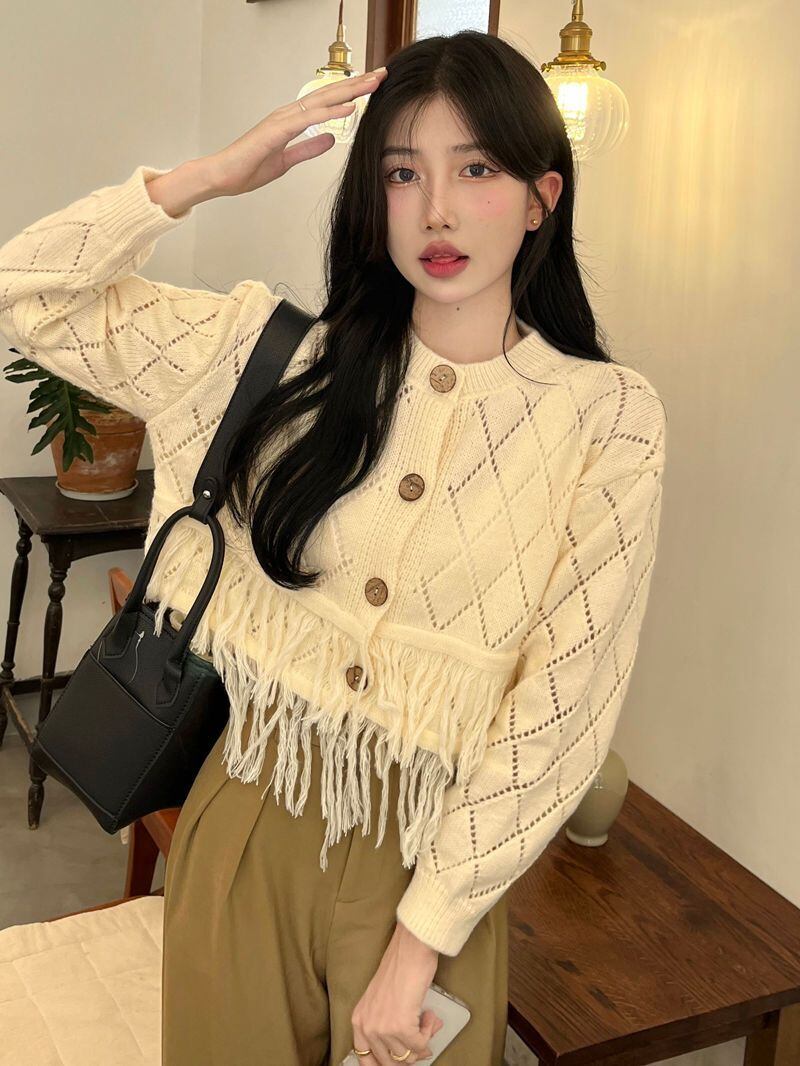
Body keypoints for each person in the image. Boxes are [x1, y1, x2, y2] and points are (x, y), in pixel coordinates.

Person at [0, 29, 667, 1066]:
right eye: (402, 173)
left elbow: (562, 709)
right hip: (246, 820)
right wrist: (204, 178)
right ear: (372, 198)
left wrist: (421, 938)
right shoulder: (269, 356)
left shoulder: (607, 418)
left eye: (476, 170)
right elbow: (24, 293)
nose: (435, 210)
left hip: (428, 872)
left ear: (542, 197)